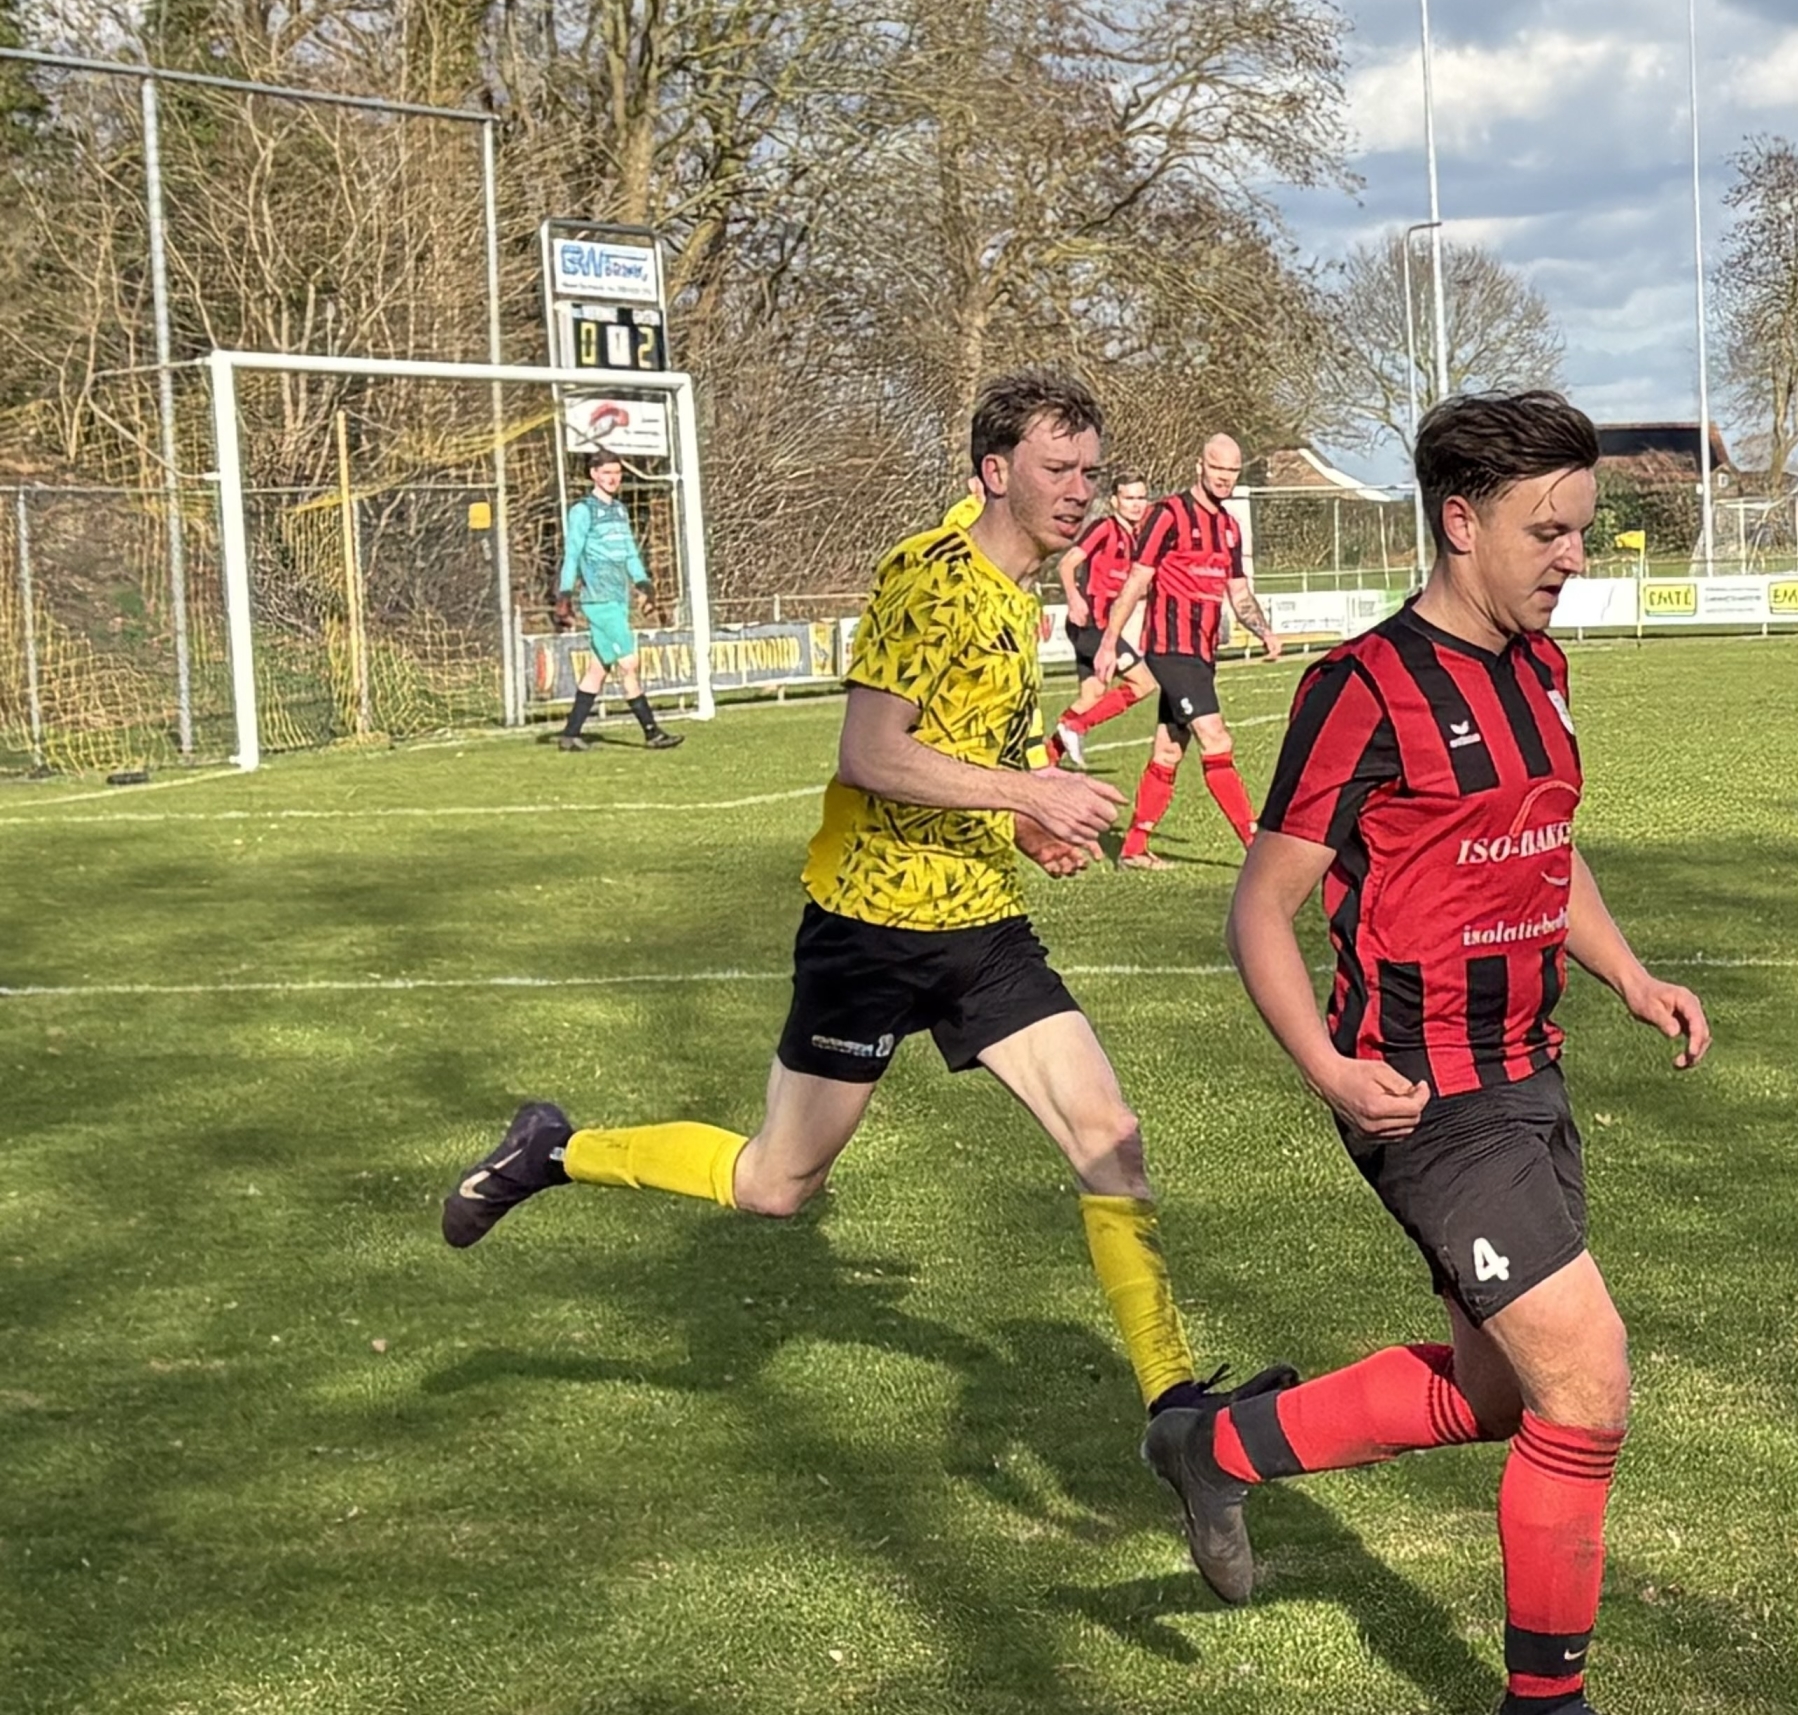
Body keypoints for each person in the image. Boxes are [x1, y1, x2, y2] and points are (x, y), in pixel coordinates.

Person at [443, 369, 1268, 1442]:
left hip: (978, 925)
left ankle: (1175, 1407)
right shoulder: (930, 578)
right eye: (1056, 470)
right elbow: (871, 753)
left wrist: (1024, 825)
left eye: (1090, 472)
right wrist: (1031, 788)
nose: (1078, 491)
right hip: (870, 931)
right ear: (994, 471)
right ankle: (553, 1149)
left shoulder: (1014, 603)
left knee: (1109, 1133)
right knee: (776, 1184)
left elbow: (959, 751)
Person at [1156, 389, 1711, 1715]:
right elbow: (1260, 909)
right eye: (1551, 529)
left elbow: (1543, 841)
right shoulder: (1362, 688)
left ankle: (1214, 1444)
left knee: (1500, 1392)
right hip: (1428, 1100)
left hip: (1532, 1074)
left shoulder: (1538, 670)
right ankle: (1543, 1710)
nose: (1574, 554)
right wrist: (1331, 1067)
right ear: (1460, 521)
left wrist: (1630, 974)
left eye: (1581, 526)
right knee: (1587, 1382)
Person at [1094, 433, 1285, 866]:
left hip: (1201, 654)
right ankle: (1254, 845)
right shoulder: (1168, 516)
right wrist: (1110, 642)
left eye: (1232, 471)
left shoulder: (1230, 528)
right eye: (1217, 469)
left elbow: (1238, 592)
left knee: (1168, 748)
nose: (1224, 478)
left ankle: (1135, 847)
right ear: (1200, 467)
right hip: (1170, 649)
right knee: (1216, 738)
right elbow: (1137, 581)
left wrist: (1265, 632)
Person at [549, 452, 680, 751]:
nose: (613, 478)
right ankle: (652, 732)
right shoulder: (583, 511)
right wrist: (565, 595)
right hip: (599, 600)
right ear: (593, 474)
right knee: (629, 662)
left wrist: (645, 584)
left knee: (598, 668)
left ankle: (570, 734)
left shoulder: (620, 510)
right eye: (607, 472)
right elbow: (572, 554)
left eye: (618, 473)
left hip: (619, 598)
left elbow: (630, 553)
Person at [1046, 471, 1157, 771]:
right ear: (1114, 501)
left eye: (1141, 498)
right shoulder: (1104, 528)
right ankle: (1077, 728)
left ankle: (1045, 761)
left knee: (1091, 696)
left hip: (1102, 627)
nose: (1136, 504)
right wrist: (1073, 597)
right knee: (1144, 684)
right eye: (1129, 498)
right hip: (1090, 625)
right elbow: (1067, 564)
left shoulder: (1138, 538)